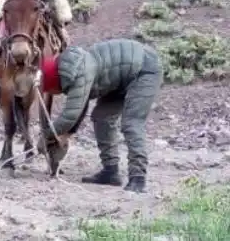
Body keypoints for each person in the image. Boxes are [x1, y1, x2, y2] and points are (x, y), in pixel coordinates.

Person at [37, 38, 163, 193]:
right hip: (120, 80)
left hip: (144, 70)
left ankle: (138, 177)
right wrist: (64, 135)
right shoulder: (74, 68)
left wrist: (46, 136)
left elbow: (70, 115)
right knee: (102, 118)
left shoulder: (79, 73)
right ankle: (111, 171)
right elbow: (79, 109)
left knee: (132, 123)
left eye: (52, 91)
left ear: (55, 82)